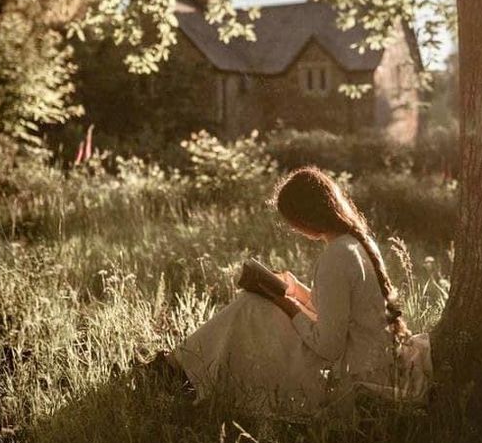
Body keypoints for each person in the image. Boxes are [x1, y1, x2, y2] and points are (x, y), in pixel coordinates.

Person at [162, 166, 431, 419]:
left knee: (251, 307)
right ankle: (179, 370)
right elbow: (341, 311)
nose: (293, 228)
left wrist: (289, 306)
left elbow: (329, 347)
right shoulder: (357, 243)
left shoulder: (336, 256)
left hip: (348, 376)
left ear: (305, 218)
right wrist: (296, 290)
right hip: (370, 362)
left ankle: (175, 372)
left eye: (292, 221)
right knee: (254, 307)